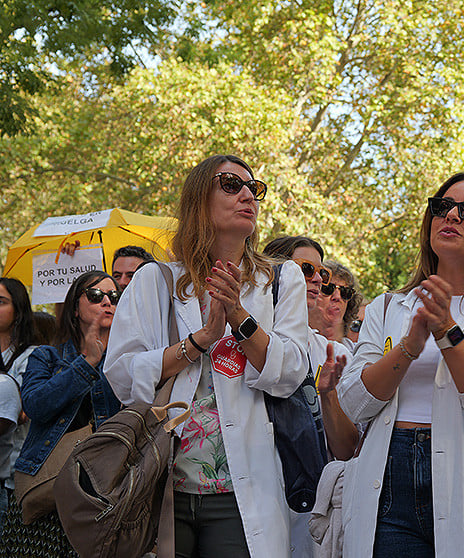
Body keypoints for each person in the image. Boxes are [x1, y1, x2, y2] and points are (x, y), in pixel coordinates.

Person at [105, 155, 308, 558]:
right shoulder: (156, 280)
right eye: (231, 184)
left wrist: (239, 318)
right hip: (161, 487)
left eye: (254, 188)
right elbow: (123, 377)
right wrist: (200, 340)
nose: (248, 195)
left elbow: (291, 372)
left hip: (244, 493)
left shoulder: (281, 280)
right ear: (198, 198)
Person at [337, 172, 464, 557]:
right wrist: (409, 347)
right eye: (442, 206)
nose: (451, 216)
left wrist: (448, 331)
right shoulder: (387, 307)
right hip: (389, 483)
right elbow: (354, 403)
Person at [0, 271, 122, 557]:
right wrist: (86, 363)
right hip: (48, 490)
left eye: (114, 296)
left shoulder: (126, 360)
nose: (107, 302)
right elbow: (35, 406)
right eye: (96, 295)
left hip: (102, 492)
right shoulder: (47, 356)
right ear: (75, 308)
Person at [263, 235, 357, 558]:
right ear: (273, 273)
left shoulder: (335, 353)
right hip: (254, 502)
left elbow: (347, 449)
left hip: (311, 519)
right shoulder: (245, 342)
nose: (318, 279)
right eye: (306, 269)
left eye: (322, 273)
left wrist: (327, 397)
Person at [0, 278, 39, 531]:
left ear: (18, 310)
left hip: (16, 476)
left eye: (1, 302)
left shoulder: (33, 356)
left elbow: (24, 411)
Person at [317, 261, 363, 352]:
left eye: (345, 292)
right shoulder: (297, 342)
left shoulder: (355, 353)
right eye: (328, 289)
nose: (337, 297)